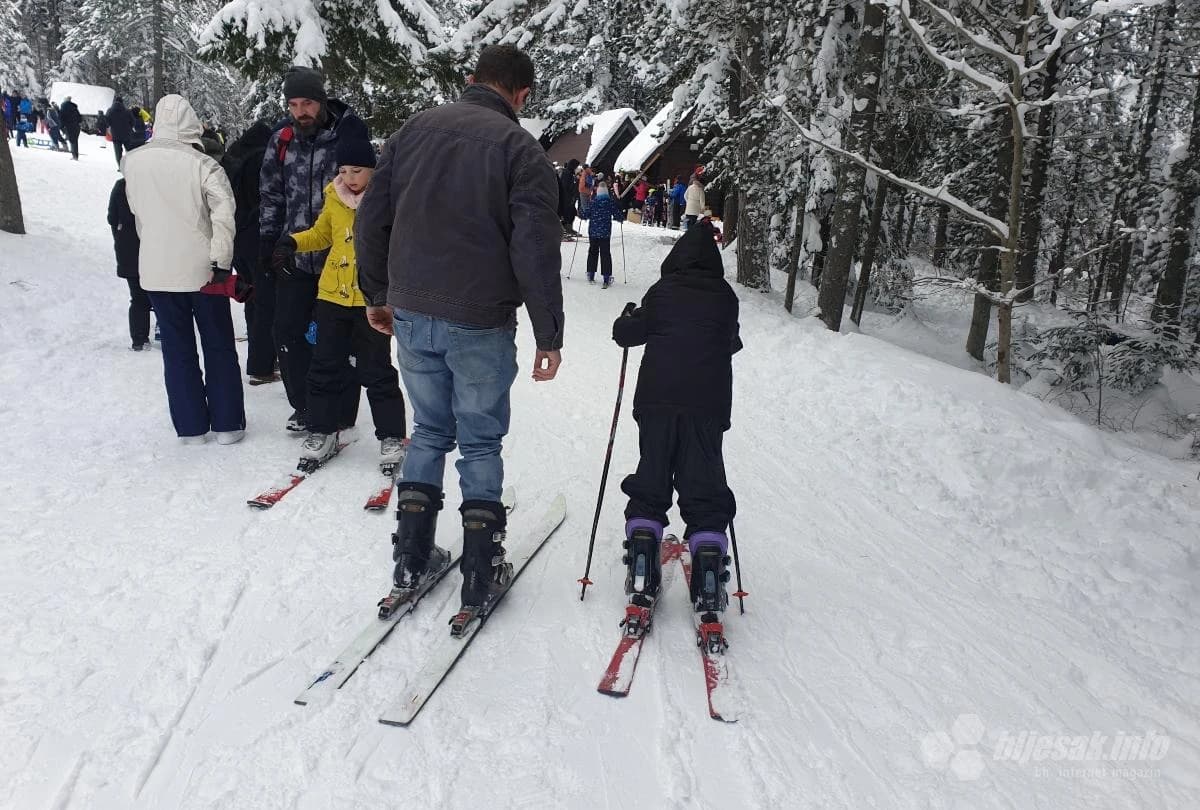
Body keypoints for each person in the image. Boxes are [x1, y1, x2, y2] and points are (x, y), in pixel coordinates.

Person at [356, 43, 564, 612]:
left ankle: (411, 559)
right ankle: (479, 572)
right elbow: (537, 247)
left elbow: (372, 216)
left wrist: (376, 292)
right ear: (521, 95)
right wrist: (549, 333)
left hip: (414, 314)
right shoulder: (521, 150)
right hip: (479, 319)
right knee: (478, 441)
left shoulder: (414, 130)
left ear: (472, 79)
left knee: (426, 431)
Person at [612, 220, 741, 613]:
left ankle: (642, 560)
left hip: (656, 401)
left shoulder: (662, 291)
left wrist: (629, 316)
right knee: (702, 481)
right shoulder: (725, 297)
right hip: (706, 405)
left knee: (652, 472)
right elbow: (730, 342)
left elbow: (626, 334)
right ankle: (706, 572)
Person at [271, 120, 407, 470]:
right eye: (344, 170)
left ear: (373, 170)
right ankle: (323, 429)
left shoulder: (387, 199)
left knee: (376, 369)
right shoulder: (334, 195)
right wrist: (293, 242)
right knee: (324, 365)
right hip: (331, 295)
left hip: (370, 300)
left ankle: (391, 436)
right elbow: (322, 235)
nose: (349, 177)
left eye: (357, 170)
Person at [122, 94, 244, 445]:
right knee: (218, 345)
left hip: (157, 270)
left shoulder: (133, 162)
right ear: (190, 122)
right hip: (203, 271)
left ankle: (190, 427)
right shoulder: (204, 165)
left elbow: (137, 212)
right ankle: (227, 424)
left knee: (177, 350)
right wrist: (221, 262)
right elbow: (223, 217)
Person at [260, 65, 367, 433]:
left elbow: (369, 191)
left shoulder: (347, 136)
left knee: (341, 338)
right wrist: (269, 242)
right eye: (293, 104)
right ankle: (304, 406)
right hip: (295, 256)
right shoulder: (283, 140)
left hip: (341, 260)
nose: (300, 111)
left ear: (321, 101)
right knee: (287, 332)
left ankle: (342, 408)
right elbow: (271, 194)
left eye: (307, 103)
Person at [221, 121, 278, 385]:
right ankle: (261, 365)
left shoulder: (233, 157)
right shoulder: (260, 160)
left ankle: (260, 355)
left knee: (253, 295)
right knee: (266, 299)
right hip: (255, 236)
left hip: (236, 236)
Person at [107, 177, 153, 350]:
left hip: (128, 248)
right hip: (154, 247)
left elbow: (112, 217)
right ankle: (164, 333)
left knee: (138, 297)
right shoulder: (154, 182)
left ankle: (139, 340)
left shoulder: (122, 185)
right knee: (162, 294)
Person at [585, 181, 621, 288]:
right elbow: (618, 215)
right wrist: (621, 217)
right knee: (605, 254)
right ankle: (606, 277)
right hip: (605, 233)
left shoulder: (593, 202)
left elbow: (585, 213)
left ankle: (591, 274)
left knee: (593, 252)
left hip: (593, 232)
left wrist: (583, 213)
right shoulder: (610, 202)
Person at [106, 96, 136, 166]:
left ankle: (120, 166)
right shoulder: (127, 111)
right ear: (122, 102)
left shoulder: (110, 111)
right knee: (129, 150)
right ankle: (131, 165)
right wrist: (129, 128)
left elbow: (107, 122)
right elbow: (133, 122)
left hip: (116, 135)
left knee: (118, 152)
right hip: (127, 134)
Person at [558, 158, 580, 236]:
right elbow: (564, 186)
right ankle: (564, 230)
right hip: (566, 198)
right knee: (566, 214)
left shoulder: (571, 173)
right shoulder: (566, 173)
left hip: (571, 198)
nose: (577, 168)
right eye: (577, 166)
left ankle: (569, 228)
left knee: (572, 213)